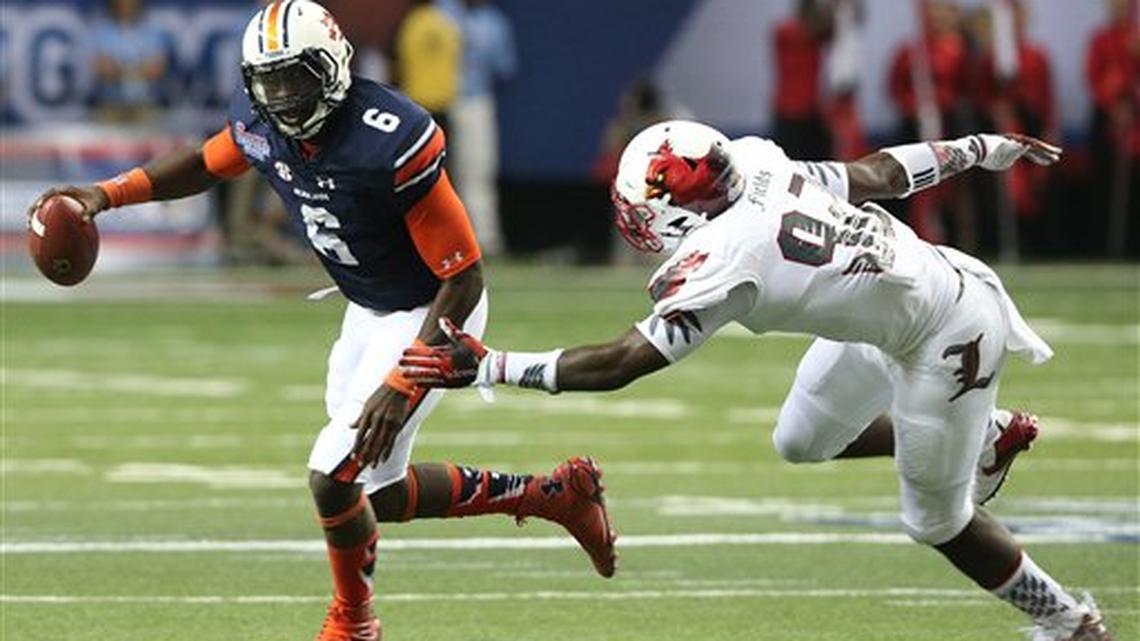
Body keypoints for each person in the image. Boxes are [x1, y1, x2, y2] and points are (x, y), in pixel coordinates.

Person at [28, 3, 615, 640]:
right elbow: (204, 163)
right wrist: (103, 195)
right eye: (269, 81)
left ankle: (353, 624)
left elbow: (463, 275)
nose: (282, 97)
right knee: (378, 494)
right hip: (369, 306)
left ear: (333, 66)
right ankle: (550, 497)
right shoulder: (266, 127)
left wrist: (406, 376)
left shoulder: (386, 138)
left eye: (296, 78)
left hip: (431, 310)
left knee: (332, 476)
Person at [400, 120, 1114, 641]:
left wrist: (489, 364)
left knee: (935, 518)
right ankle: (984, 433)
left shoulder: (726, 256)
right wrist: (981, 149)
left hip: (952, 335)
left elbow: (625, 361)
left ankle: (1072, 622)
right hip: (902, 305)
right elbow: (881, 175)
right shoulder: (755, 161)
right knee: (801, 439)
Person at [444, 0, 517, 256]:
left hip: (474, 100)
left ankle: (486, 241)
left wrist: (473, 48)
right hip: (433, 101)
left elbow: (505, 67)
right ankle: (442, 245)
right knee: (427, 175)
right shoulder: (438, 12)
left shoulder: (493, 22)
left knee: (477, 172)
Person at [1085, 0, 1139, 257]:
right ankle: (1103, 245)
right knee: (1105, 180)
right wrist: (1112, 105)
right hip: (1107, 117)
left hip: (1135, 116)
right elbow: (1093, 77)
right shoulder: (1101, 39)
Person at [772, 0, 834, 161]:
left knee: (818, 162)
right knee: (793, 163)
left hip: (810, 111)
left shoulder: (812, 33)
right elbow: (820, 29)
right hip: (791, 113)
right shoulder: (787, 31)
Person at [89, 0, 168, 123]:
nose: (127, 3)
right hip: (110, 105)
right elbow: (102, 69)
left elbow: (156, 69)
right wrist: (138, 70)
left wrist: (120, 69)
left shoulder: (152, 32)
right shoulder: (102, 32)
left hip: (146, 104)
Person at [393, 0, 462, 137]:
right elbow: (457, 56)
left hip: (417, 102)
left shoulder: (410, 25)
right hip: (443, 101)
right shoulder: (446, 24)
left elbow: (400, 61)